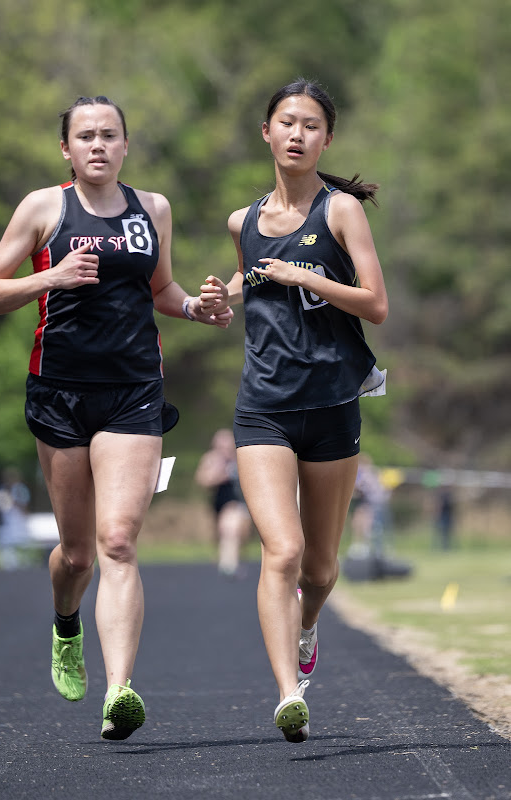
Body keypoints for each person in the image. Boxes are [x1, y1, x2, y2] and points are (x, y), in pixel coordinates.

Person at [0, 95, 232, 741]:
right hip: (58, 390)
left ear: (124, 146)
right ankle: (66, 624)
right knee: (78, 554)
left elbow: (162, 291)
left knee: (118, 540)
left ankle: (120, 690)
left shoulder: (154, 209)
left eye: (108, 135)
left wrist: (199, 309)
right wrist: (51, 277)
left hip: (134, 391)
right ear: (66, 148)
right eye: (84, 136)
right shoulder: (42, 208)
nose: (97, 145)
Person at [199, 79, 388, 743]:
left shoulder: (341, 214)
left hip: (333, 403)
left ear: (326, 139)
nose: (298, 134)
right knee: (281, 551)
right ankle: (288, 692)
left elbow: (376, 304)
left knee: (320, 568)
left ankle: (309, 625)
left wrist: (306, 276)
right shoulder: (240, 223)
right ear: (267, 133)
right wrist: (221, 300)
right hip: (264, 409)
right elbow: (248, 300)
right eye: (287, 122)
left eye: (312, 124)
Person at [195, 428, 251, 578]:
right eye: (221, 446)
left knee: (232, 529)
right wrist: (221, 472)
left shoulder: (239, 458)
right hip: (219, 501)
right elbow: (203, 480)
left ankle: (229, 564)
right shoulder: (211, 459)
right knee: (223, 532)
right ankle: (228, 559)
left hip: (237, 501)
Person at [0, 466, 31, 570]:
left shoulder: (20, 489)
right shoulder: (3, 490)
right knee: (7, 544)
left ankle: (24, 564)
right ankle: (10, 565)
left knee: (22, 544)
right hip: (8, 521)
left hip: (18, 520)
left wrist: (14, 501)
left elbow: (24, 506)